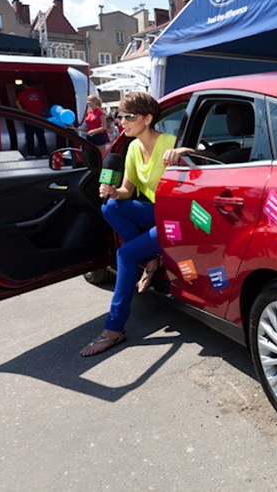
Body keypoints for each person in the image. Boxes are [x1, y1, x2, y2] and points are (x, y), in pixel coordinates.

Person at [79, 92, 192, 357]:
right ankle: (151, 259)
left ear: (148, 118)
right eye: (121, 116)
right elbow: (128, 190)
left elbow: (204, 156)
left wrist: (185, 151)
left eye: (130, 116)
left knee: (125, 254)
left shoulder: (168, 143)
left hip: (174, 218)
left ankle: (113, 329)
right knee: (110, 206)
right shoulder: (131, 148)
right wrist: (114, 191)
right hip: (154, 212)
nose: (122, 121)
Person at [15, 80, 49, 157]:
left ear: (24, 85)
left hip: (28, 117)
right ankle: (44, 152)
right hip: (39, 117)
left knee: (29, 136)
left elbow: (16, 102)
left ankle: (31, 153)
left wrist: (22, 110)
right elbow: (42, 104)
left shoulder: (22, 93)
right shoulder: (38, 93)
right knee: (40, 135)